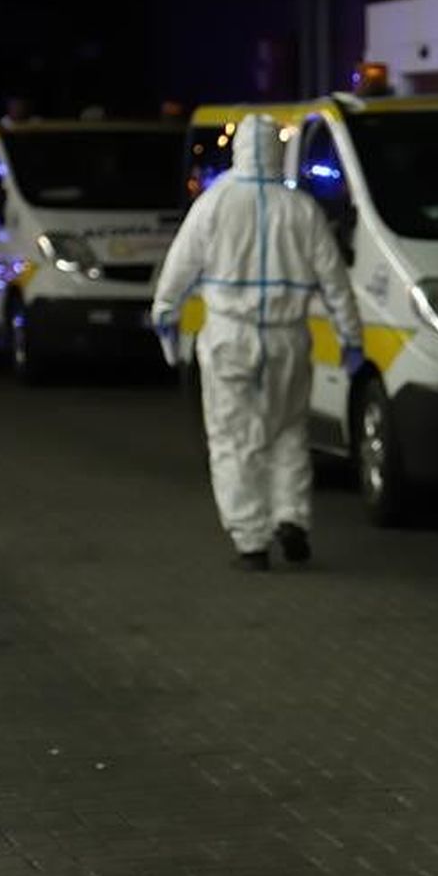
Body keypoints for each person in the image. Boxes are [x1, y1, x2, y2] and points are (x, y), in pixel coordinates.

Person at [152, 114, 365, 572]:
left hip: (230, 336)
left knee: (233, 438)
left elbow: (180, 264)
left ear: (239, 150)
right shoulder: (301, 208)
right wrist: (351, 336)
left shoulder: (214, 204)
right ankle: (293, 519)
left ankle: (251, 540)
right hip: (289, 339)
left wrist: (165, 311)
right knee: (288, 431)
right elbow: (334, 280)